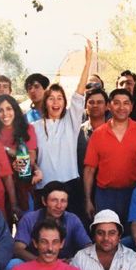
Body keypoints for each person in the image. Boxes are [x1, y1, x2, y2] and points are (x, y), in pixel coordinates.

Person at [83, 88, 136, 228]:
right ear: (109, 105)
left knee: (133, 236)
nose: (122, 107)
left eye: (126, 103)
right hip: (105, 195)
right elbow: (89, 169)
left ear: (131, 106)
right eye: (117, 103)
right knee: (107, 237)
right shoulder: (98, 134)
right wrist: (88, 200)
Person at [33, 41, 92, 204]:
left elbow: (79, 93)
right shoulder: (35, 127)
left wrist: (87, 63)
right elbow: (28, 155)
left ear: (64, 101)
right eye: (51, 98)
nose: (55, 102)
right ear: (45, 102)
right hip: (45, 186)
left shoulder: (70, 122)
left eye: (59, 98)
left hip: (71, 185)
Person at [0, 94, 43, 215]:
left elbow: (31, 158)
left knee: (26, 224)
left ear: (15, 110)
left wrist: (6, 149)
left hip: (23, 184)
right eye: (0, 110)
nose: (5, 114)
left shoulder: (27, 129)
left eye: (8, 109)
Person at [13, 181, 91, 262]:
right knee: (14, 263)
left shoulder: (72, 219)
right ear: (44, 201)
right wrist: (44, 262)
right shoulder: (29, 219)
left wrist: (72, 261)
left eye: (63, 201)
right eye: (54, 200)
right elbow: (18, 249)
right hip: (35, 265)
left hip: (65, 266)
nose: (59, 206)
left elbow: (87, 247)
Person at [77, 88, 108, 183]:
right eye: (91, 102)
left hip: (107, 187)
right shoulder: (77, 132)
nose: (95, 105)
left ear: (107, 106)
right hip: (81, 185)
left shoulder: (114, 131)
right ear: (85, 107)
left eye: (99, 102)